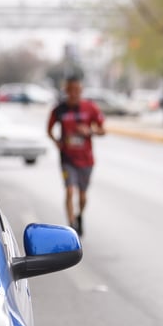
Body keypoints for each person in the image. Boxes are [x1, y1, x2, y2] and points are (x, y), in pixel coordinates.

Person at [47, 76, 105, 235]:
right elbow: (49, 130)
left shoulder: (90, 108)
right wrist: (56, 142)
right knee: (70, 190)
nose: (74, 94)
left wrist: (90, 131)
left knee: (82, 195)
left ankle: (80, 215)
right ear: (66, 91)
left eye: (77, 90)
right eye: (71, 90)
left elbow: (103, 130)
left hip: (86, 159)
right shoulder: (59, 109)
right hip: (67, 158)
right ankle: (71, 225)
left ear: (81, 91)